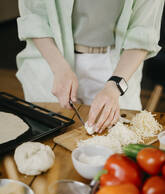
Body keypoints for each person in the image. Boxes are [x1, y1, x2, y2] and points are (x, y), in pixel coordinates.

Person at [16, 0, 164, 133]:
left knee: (122, 140)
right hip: (50, 59)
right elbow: (34, 17)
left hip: (119, 66)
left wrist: (115, 86)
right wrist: (59, 68)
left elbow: (143, 32)